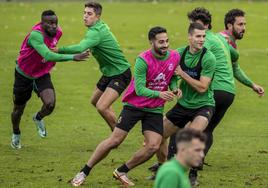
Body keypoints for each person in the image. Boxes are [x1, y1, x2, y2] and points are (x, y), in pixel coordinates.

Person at [70, 26, 181, 187]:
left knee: (153, 145)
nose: (165, 45)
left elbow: (171, 77)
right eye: (161, 42)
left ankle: (121, 170)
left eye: (167, 41)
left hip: (154, 109)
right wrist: (159, 94)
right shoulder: (143, 60)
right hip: (134, 106)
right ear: (151, 42)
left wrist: (175, 87)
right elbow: (139, 88)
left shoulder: (174, 56)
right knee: (114, 141)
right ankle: (84, 171)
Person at [11, 10, 89, 149]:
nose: (54, 26)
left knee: (50, 105)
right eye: (50, 23)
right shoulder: (36, 35)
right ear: (42, 24)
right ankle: (16, 133)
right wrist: (73, 57)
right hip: (24, 75)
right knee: (18, 109)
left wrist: (74, 52)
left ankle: (38, 117)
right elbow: (48, 54)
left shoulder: (58, 32)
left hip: (41, 74)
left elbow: (54, 49)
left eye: (55, 23)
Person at [149, 22, 216, 183]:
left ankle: (192, 175)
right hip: (183, 105)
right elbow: (167, 72)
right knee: (158, 136)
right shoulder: (178, 53)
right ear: (190, 37)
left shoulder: (208, 58)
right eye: (198, 36)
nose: (201, 40)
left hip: (203, 105)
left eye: (203, 37)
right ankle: (164, 168)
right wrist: (172, 87)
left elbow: (202, 87)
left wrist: (183, 74)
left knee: (192, 137)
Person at [54, 2, 131, 131]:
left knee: (102, 106)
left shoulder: (96, 32)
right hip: (108, 73)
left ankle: (117, 134)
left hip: (120, 73)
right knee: (95, 101)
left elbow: (79, 48)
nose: (85, 16)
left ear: (97, 16)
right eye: (84, 13)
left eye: (89, 14)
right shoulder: (99, 27)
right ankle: (118, 127)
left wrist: (56, 50)